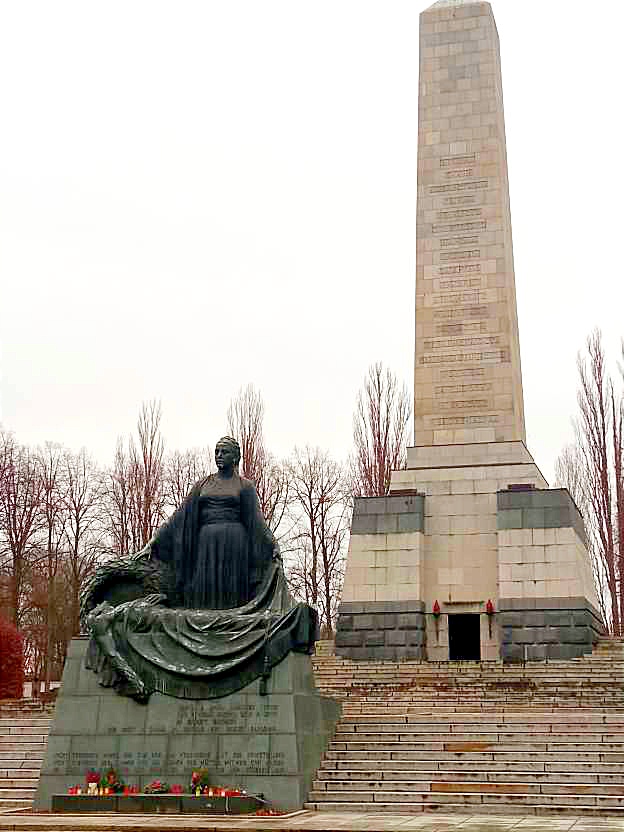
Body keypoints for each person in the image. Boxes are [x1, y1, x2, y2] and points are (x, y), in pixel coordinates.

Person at [81, 437, 317, 703]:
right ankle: (207, 634)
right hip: (205, 545)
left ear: (235, 457)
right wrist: (153, 542)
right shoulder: (203, 485)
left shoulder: (244, 487)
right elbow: (178, 518)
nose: (218, 455)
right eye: (216, 451)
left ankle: (227, 628)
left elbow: (256, 523)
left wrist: (273, 546)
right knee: (205, 594)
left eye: (224, 452)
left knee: (229, 594)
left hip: (234, 546)